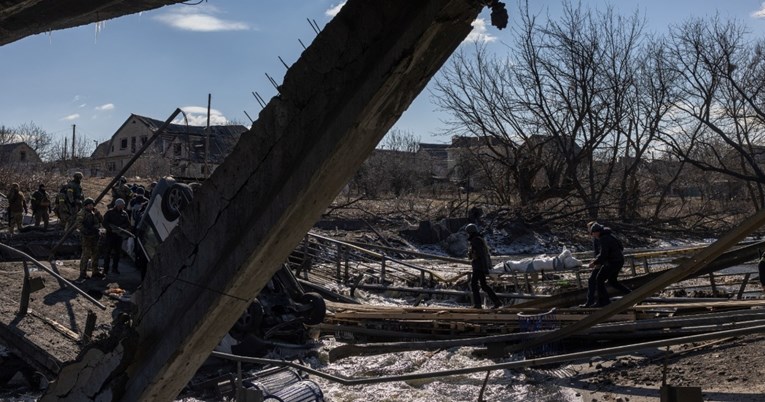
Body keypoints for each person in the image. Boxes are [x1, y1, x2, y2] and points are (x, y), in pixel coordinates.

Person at [580, 223, 631, 307]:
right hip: (619, 261)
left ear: (596, 232)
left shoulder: (603, 239)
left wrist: (594, 263)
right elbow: (621, 247)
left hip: (612, 262)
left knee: (599, 280)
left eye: (592, 233)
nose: (592, 235)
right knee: (612, 281)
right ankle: (631, 294)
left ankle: (603, 301)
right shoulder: (610, 235)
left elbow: (603, 254)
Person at [465, 223, 502, 309]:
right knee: (484, 285)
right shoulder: (479, 239)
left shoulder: (475, 240)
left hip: (478, 266)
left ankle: (478, 304)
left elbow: (480, 254)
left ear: (470, 232)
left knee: (474, 284)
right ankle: (497, 301)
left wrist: (473, 255)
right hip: (481, 265)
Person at [76, 198, 103, 280]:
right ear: (86, 205)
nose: (92, 206)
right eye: (90, 205)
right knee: (86, 254)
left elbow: (101, 220)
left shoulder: (94, 212)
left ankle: (95, 272)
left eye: (92, 205)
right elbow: (78, 224)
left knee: (95, 254)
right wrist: (86, 231)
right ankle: (83, 273)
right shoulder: (82, 213)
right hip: (86, 237)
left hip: (94, 235)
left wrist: (97, 214)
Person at [102, 198, 131, 275]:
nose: (124, 206)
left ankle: (115, 269)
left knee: (117, 253)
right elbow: (104, 223)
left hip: (119, 236)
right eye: (122, 204)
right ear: (118, 205)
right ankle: (105, 269)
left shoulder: (124, 214)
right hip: (110, 235)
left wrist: (121, 228)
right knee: (107, 253)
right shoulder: (110, 212)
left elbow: (128, 224)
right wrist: (111, 229)